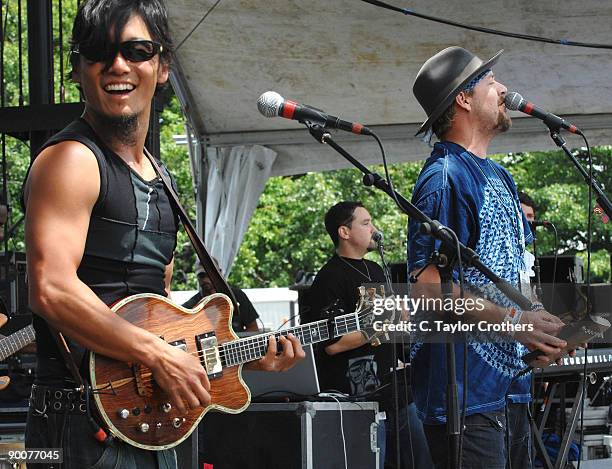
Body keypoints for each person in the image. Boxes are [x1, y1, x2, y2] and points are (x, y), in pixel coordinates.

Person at [22, 1, 303, 468]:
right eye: (98, 51)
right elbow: (51, 288)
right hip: (76, 432)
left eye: (136, 50)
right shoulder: (71, 160)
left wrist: (243, 358)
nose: (117, 66)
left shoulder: (161, 179)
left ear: (163, 65)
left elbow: (162, 319)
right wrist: (159, 356)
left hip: (148, 426)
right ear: (76, 69)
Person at [408, 46, 568, 469]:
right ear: (463, 98)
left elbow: (513, 269)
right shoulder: (444, 179)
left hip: (509, 386)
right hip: (466, 400)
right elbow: (428, 291)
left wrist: (539, 326)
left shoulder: (499, 175)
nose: (503, 89)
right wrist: (517, 323)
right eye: (491, 81)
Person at [303, 201, 433, 469]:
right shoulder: (329, 278)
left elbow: (386, 326)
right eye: (366, 223)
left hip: (393, 389)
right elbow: (332, 344)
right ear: (344, 232)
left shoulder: (374, 270)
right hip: (357, 398)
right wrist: (384, 322)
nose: (374, 229)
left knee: (420, 457)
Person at [183, 259, 260, 332]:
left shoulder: (237, 295)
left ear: (219, 273)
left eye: (210, 273)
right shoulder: (192, 305)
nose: (206, 279)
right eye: (202, 275)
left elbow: (253, 328)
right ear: (197, 278)